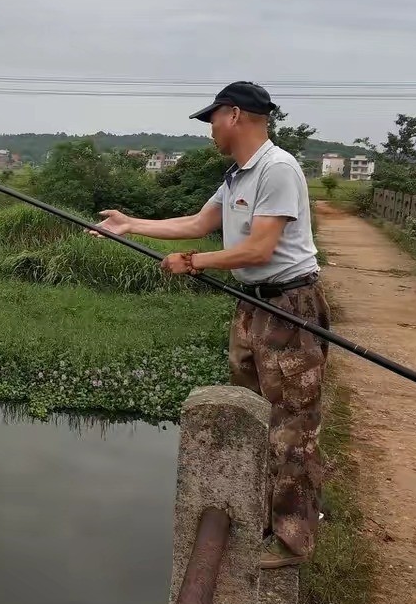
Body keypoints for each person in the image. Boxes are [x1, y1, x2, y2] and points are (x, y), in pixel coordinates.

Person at [92, 81, 329, 569]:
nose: (210, 130)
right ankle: (258, 510)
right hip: (252, 305)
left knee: (292, 422)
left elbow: (260, 249)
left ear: (236, 116)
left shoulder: (277, 169)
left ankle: (292, 538)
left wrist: (196, 263)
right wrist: (130, 224)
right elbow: (199, 224)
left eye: (212, 120)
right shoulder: (238, 175)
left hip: (290, 307)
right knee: (253, 409)